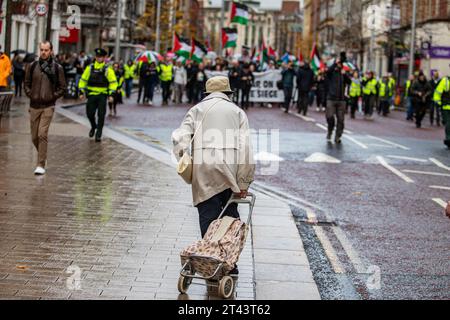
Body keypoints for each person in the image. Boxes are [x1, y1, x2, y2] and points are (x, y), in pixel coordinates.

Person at [171, 76, 255, 275]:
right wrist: (244, 182)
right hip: (230, 171)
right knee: (230, 217)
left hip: (204, 169)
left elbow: (180, 137)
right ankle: (229, 263)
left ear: (207, 93)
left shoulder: (197, 110)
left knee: (208, 216)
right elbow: (246, 150)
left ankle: (211, 263)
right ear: (228, 93)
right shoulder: (237, 112)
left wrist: (183, 155)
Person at [24, 41, 66, 175]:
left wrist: (52, 97)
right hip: (34, 106)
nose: (43, 52)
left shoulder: (57, 68)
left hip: (48, 106)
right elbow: (26, 84)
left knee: (42, 134)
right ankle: (43, 157)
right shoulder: (32, 66)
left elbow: (62, 87)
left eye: (46, 50)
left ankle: (40, 164)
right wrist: (31, 94)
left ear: (51, 51)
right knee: (34, 137)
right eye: (41, 49)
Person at [78, 48, 118, 142]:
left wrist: (111, 94)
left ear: (104, 58)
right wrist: (81, 91)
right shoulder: (90, 68)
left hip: (102, 96)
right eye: (97, 56)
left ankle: (99, 133)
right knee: (89, 114)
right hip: (91, 95)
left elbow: (113, 83)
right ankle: (93, 126)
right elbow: (83, 80)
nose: (98, 58)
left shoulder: (108, 69)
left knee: (101, 115)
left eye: (100, 57)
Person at [325, 58, 351, 143]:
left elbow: (349, 82)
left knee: (340, 120)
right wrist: (334, 64)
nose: (339, 65)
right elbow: (328, 72)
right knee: (329, 117)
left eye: (340, 63)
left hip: (341, 100)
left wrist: (345, 75)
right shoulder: (331, 73)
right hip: (331, 99)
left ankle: (337, 136)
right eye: (338, 63)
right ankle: (330, 130)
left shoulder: (343, 73)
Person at [433, 73, 450, 149]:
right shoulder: (445, 80)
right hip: (446, 107)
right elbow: (438, 92)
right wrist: (438, 102)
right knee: (449, 124)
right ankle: (448, 139)